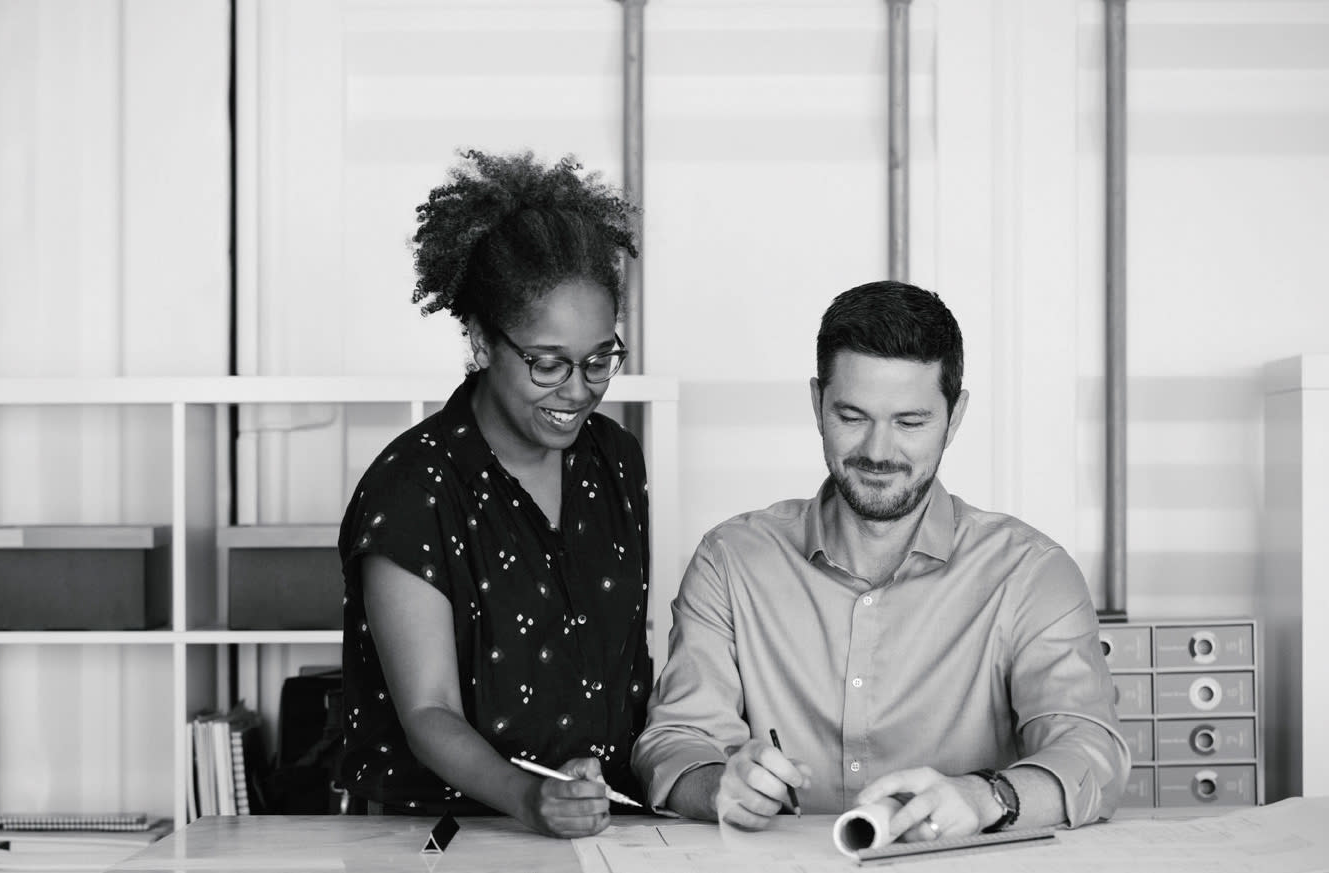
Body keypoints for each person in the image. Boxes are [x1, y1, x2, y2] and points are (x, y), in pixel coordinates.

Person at [632, 281, 1129, 841]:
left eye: (910, 423)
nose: (878, 451)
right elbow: (674, 742)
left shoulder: (1032, 572)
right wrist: (717, 782)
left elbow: (1091, 750)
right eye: (852, 415)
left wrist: (988, 796)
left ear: (955, 415)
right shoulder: (731, 561)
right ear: (817, 403)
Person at [339, 150, 652, 838]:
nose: (579, 389)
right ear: (481, 342)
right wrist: (530, 797)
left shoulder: (618, 463)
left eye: (600, 358)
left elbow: (628, 668)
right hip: (437, 835)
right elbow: (429, 711)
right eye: (548, 363)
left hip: (600, 830)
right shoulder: (412, 487)